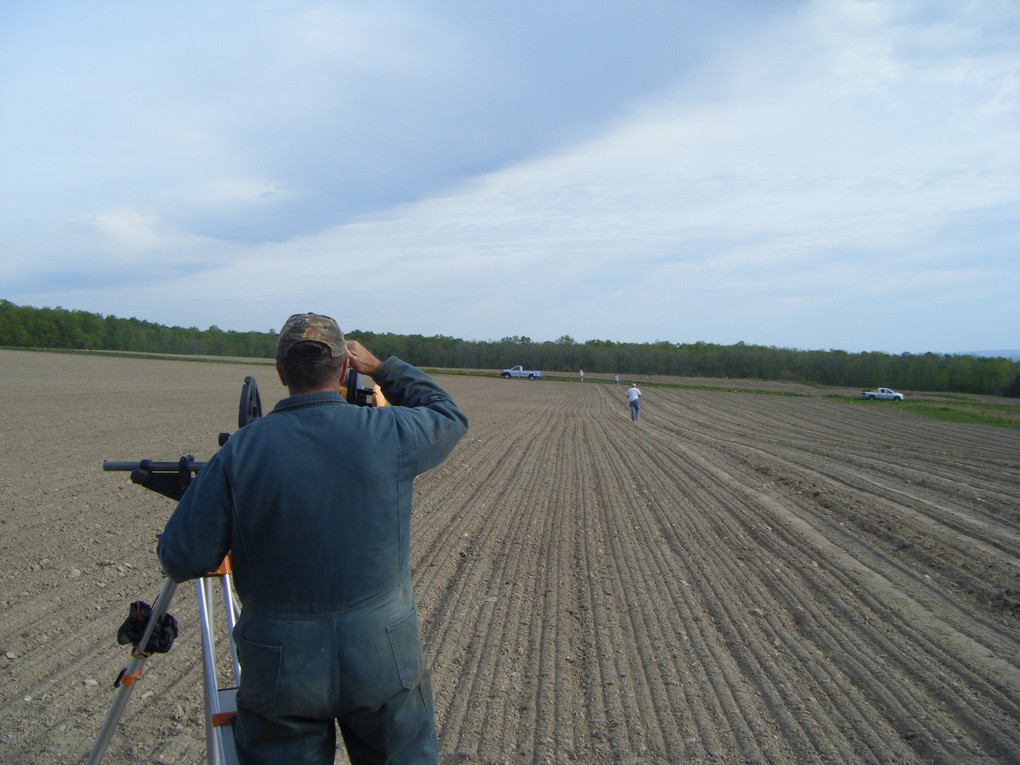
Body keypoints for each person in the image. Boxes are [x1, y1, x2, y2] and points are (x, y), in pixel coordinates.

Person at [157, 312, 468, 765]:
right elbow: (448, 415)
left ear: (281, 372)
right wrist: (381, 368)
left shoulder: (240, 451)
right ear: (344, 370)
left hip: (281, 670)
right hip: (383, 655)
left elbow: (183, 557)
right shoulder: (389, 434)